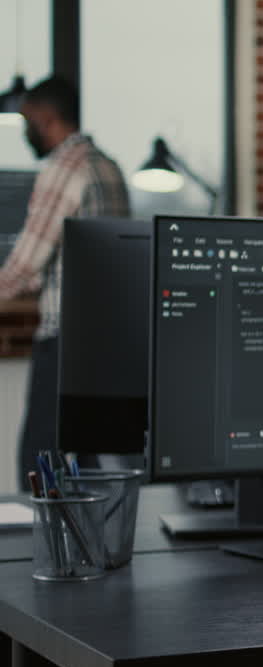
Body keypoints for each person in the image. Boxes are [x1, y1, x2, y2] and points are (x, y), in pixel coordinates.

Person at [0, 75, 130, 489]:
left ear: (46, 118)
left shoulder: (63, 169)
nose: (25, 133)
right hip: (108, 342)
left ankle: (38, 551)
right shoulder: (108, 167)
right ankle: (102, 548)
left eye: (27, 122)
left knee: (38, 459)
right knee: (94, 459)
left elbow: (28, 261)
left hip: (65, 340)